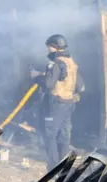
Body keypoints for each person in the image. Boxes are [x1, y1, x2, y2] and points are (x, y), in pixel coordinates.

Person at [31, 34, 84, 169]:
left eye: (48, 47)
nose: (48, 50)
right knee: (64, 134)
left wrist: (36, 77)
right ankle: (64, 165)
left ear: (53, 47)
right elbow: (80, 87)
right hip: (69, 103)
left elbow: (49, 84)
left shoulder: (55, 63)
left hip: (56, 103)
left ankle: (53, 166)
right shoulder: (71, 62)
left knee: (50, 134)